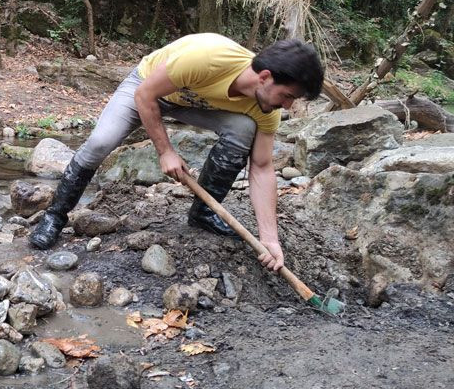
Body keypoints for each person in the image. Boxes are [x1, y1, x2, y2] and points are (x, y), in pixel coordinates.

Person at [28, 33, 324, 272]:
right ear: (265, 77)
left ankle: (204, 213)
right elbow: (145, 95)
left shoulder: (265, 110)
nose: (287, 107)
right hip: (149, 88)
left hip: (195, 104)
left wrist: (270, 239)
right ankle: (55, 215)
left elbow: (261, 168)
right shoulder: (207, 58)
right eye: (287, 96)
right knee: (100, 142)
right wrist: (165, 151)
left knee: (244, 129)